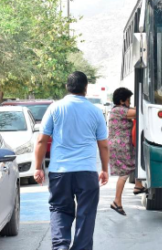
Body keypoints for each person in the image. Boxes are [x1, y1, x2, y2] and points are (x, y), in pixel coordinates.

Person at [34, 71, 109, 250]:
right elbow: (104, 145)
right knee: (86, 213)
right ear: (86, 88)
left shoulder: (55, 108)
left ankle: (60, 247)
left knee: (60, 209)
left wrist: (38, 167)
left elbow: (41, 140)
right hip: (87, 172)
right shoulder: (95, 111)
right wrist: (105, 169)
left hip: (60, 172)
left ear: (67, 87)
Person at [108, 87, 146, 216]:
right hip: (120, 145)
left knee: (136, 162)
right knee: (124, 173)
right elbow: (140, 112)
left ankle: (138, 185)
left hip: (122, 144)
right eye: (128, 100)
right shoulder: (119, 110)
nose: (130, 102)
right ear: (122, 100)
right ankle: (116, 201)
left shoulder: (118, 110)